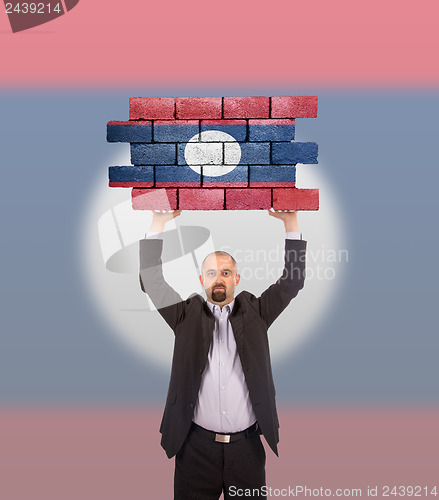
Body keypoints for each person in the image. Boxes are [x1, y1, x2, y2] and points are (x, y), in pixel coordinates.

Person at [139, 209, 307, 500]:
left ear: (236, 278)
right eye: (212, 273)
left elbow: (291, 282)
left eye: (226, 273)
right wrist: (158, 222)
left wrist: (291, 223)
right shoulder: (184, 316)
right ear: (202, 278)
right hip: (194, 448)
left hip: (247, 449)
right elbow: (151, 280)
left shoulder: (257, 312)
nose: (219, 279)